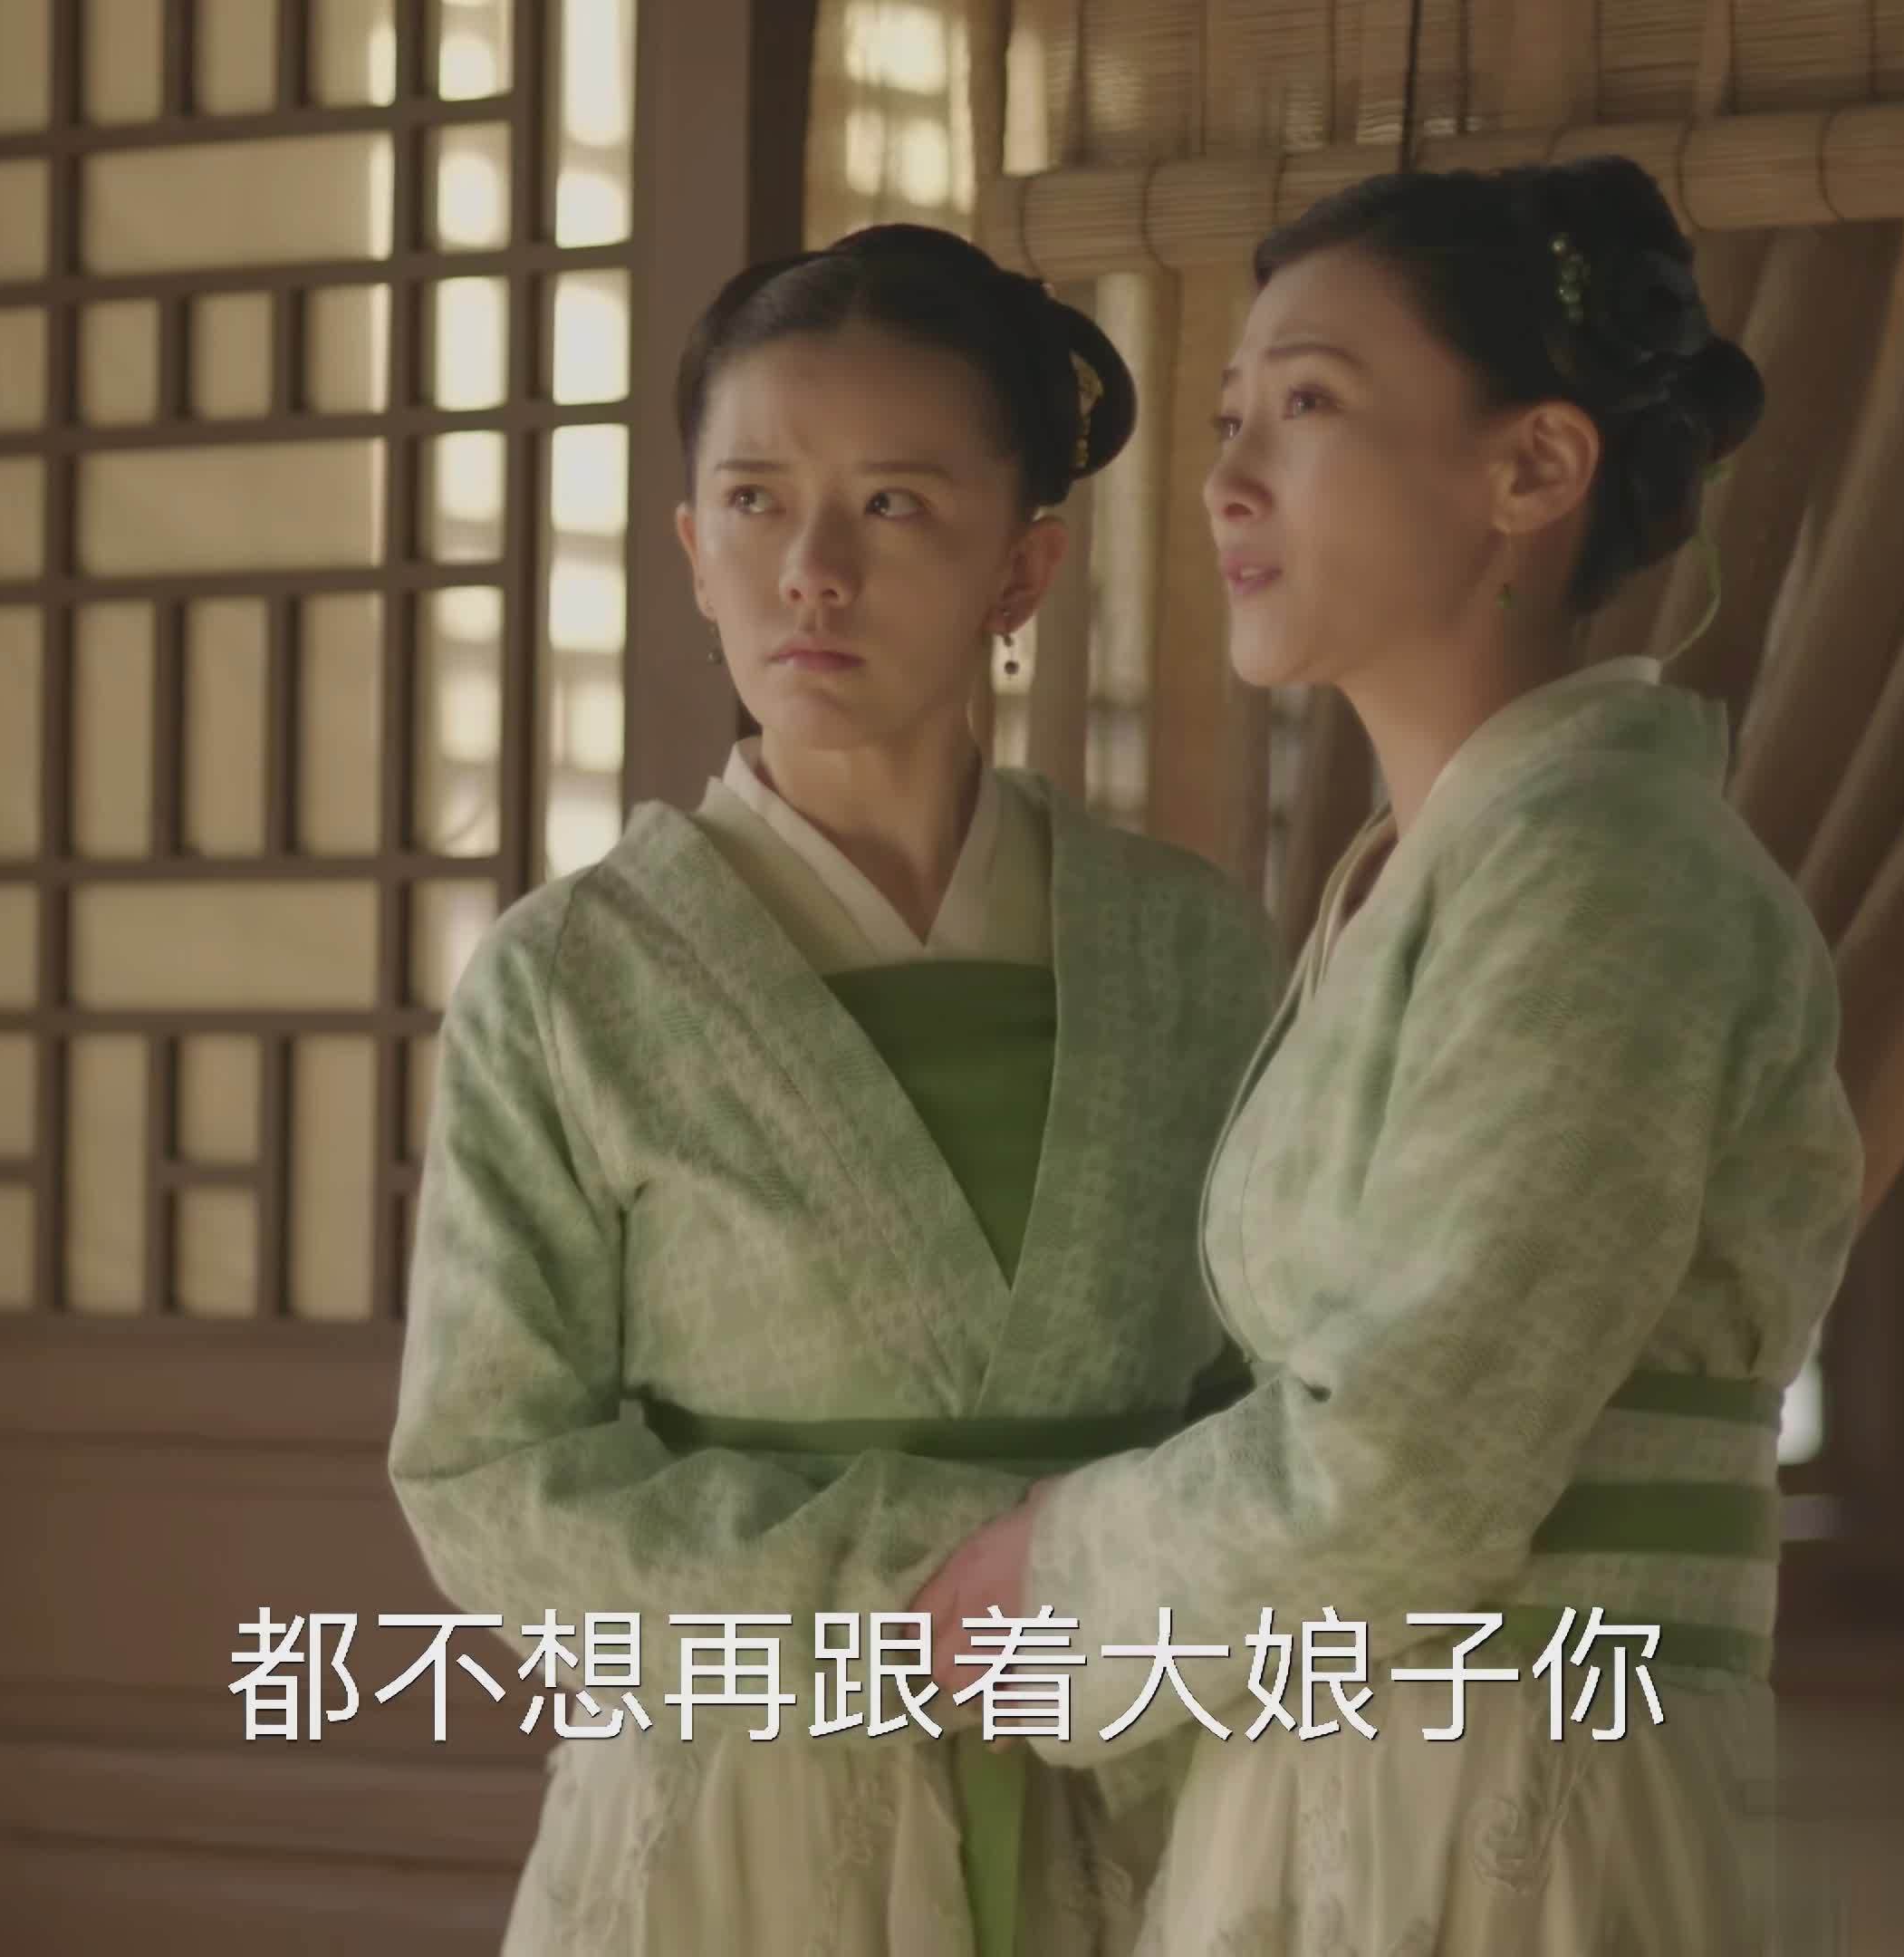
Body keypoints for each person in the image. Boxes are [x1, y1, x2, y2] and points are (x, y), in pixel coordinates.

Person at [909, 159, 1866, 1952]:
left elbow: (1416, 1452)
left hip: (1517, 1795)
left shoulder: (1607, 876)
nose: (1227, 479)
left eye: (1308, 406)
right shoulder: (1427, 875)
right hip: (1348, 1768)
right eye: (1227, 417)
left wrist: (1057, 1574)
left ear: (1534, 467)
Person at [388, 224, 1280, 1957]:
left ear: (1023, 567)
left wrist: (1111, 1599)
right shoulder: (571, 977)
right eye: (753, 501)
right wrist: (976, 1579)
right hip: (733, 1815)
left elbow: (1280, 1397)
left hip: (1137, 1787)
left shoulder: (1195, 954)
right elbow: (489, 1477)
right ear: (690, 547)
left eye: (892, 504)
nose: (811, 571)